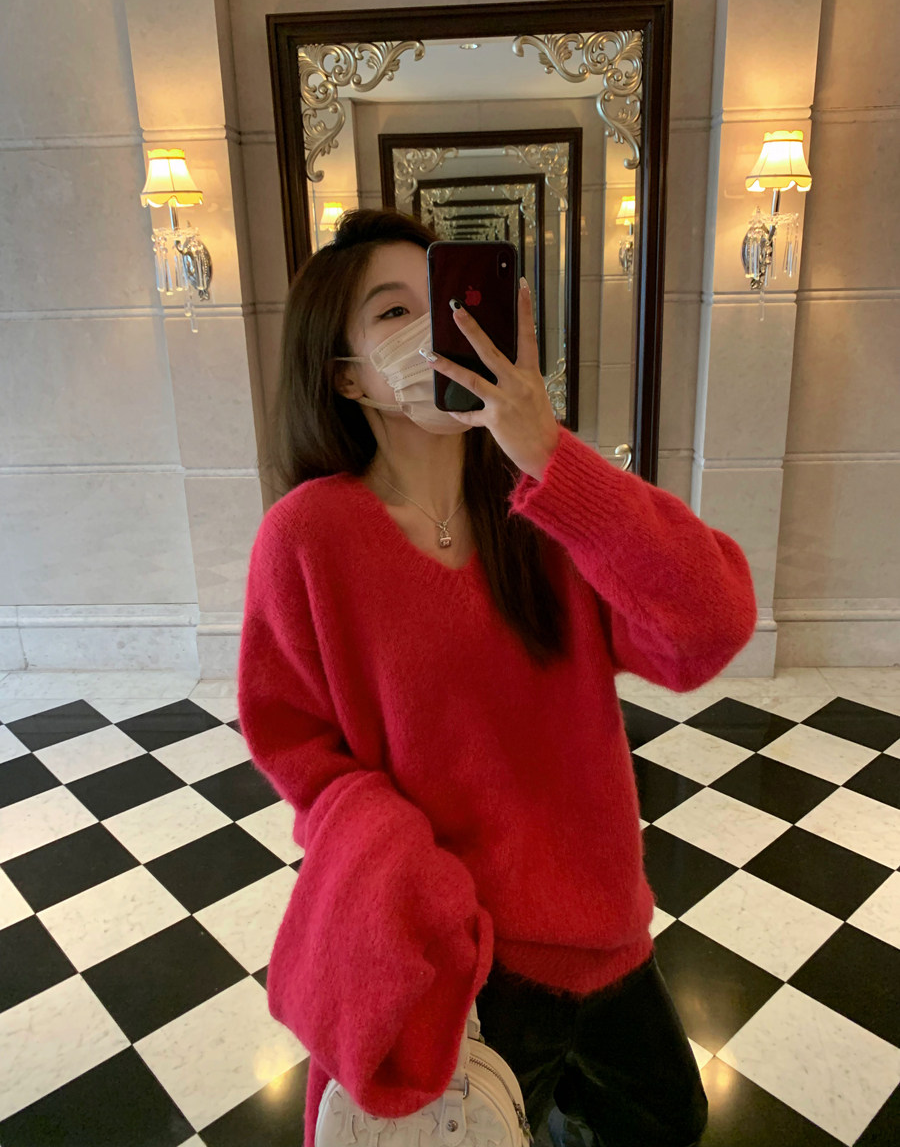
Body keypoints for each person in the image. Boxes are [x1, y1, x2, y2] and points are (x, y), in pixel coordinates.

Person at [237, 208, 758, 1147]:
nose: (435, 332)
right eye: (395, 313)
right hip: (463, 961)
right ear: (346, 373)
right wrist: (408, 874)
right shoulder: (308, 538)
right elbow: (296, 747)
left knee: (670, 1123)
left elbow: (710, 627)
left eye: (445, 303)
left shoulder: (546, 502)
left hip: (608, 930)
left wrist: (551, 454)